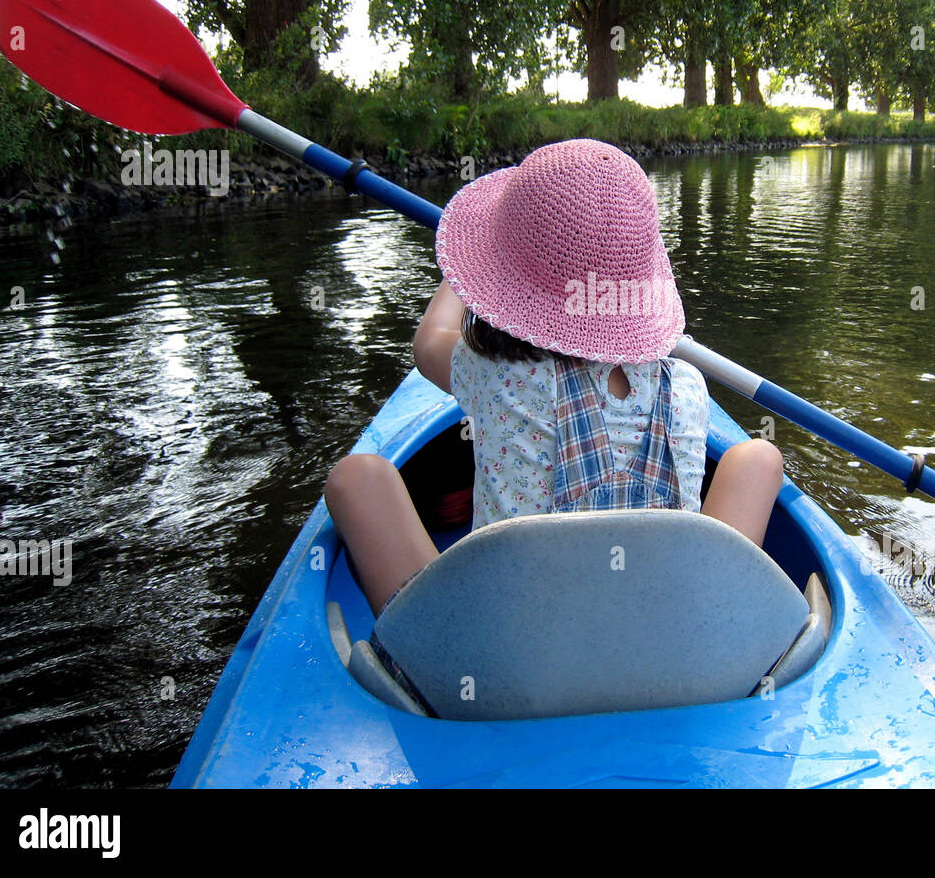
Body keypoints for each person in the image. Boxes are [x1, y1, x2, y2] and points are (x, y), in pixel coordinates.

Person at [324, 138, 784, 616]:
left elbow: (430, 341)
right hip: (663, 639)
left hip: (513, 658)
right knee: (759, 458)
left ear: (495, 286)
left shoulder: (497, 375)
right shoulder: (686, 386)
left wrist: (470, 259)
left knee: (358, 476)